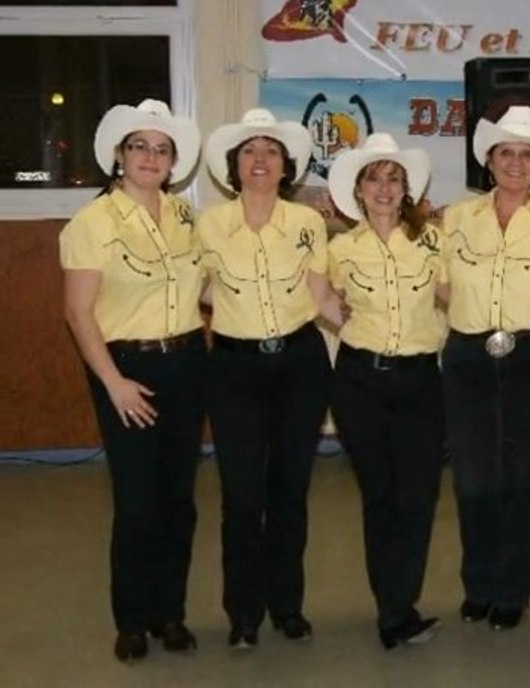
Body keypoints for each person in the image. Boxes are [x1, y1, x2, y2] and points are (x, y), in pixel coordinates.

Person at [60, 99, 205, 662]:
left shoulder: (185, 217)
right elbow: (78, 313)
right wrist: (115, 382)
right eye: (139, 146)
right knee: (138, 500)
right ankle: (132, 619)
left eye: (161, 148)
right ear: (119, 157)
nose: (151, 156)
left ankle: (170, 612)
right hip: (125, 370)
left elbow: (202, 290)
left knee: (179, 500)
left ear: (173, 163)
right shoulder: (92, 223)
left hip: (187, 363)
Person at [198, 108, 339, 649]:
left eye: (271, 151)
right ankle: (243, 614)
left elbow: (321, 293)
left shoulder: (305, 223)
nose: (260, 160)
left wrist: (373, 330)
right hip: (234, 369)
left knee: (289, 492)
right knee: (241, 497)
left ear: (287, 167)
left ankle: (287, 606)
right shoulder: (208, 224)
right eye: (250, 152)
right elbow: (198, 290)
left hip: (300, 366)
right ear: (235, 166)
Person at [441, 105, 530, 631]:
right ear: (488, 161)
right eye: (505, 153)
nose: (515, 163)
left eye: (526, 154)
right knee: (473, 481)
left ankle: (513, 590)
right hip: (470, 358)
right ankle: (479, 584)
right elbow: (440, 285)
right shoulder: (456, 219)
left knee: (520, 480)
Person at [325, 133, 445, 650]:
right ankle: (392, 611)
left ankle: (404, 601)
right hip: (360, 382)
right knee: (381, 497)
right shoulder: (339, 248)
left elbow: (454, 297)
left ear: (407, 190)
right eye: (373, 178)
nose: (384, 187)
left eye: (393, 178)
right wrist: (336, 314)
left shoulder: (432, 243)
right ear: (358, 190)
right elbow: (316, 297)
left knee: (417, 498)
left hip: (421, 381)